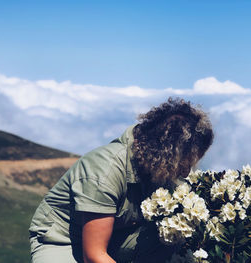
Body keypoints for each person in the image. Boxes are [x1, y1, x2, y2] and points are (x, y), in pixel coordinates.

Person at [29, 97, 214, 263]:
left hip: (118, 234)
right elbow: (94, 255)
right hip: (64, 240)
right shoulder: (104, 171)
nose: (185, 172)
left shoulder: (155, 164)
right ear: (164, 154)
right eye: (183, 163)